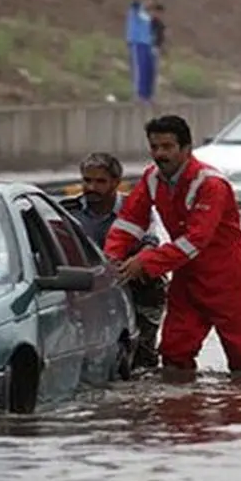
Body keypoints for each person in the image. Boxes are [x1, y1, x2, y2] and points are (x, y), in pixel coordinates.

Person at [105, 115, 241, 377]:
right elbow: (129, 222)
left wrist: (146, 262)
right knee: (174, 354)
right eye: (155, 147)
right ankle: (180, 413)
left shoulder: (211, 184)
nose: (160, 154)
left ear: (186, 149)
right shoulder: (152, 178)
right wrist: (110, 259)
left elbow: (196, 240)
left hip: (227, 278)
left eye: (168, 147)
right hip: (185, 273)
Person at [59, 152, 166, 371]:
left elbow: (150, 243)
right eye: (87, 180)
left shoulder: (135, 208)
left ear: (116, 183)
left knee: (141, 357)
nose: (91, 187)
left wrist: (132, 264)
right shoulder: (68, 212)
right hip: (87, 286)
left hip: (132, 282)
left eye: (100, 182)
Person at [125, 0, 156, 106]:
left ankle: (148, 95)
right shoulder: (137, 10)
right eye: (148, 1)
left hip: (148, 44)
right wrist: (138, 0)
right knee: (140, 69)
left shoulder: (148, 16)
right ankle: (139, 96)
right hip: (137, 43)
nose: (150, 4)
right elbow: (134, 4)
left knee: (149, 70)